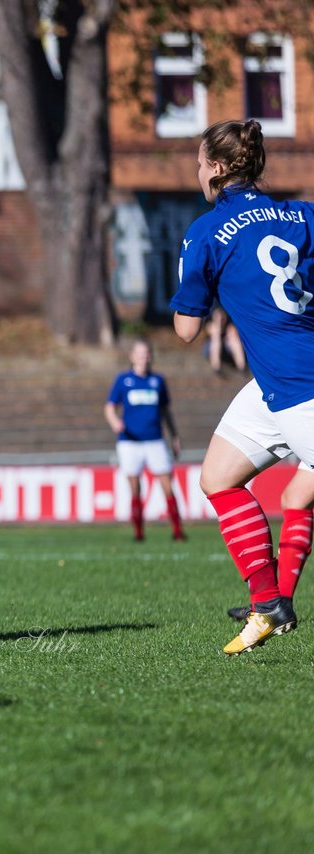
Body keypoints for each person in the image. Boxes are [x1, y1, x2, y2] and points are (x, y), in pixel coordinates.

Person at [171, 118, 314, 656]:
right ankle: (269, 603)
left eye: (200, 159)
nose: (196, 167)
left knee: (300, 492)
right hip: (278, 383)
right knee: (218, 477)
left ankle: (272, 604)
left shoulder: (206, 231)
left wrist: (199, 284)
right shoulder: (303, 214)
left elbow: (186, 330)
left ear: (217, 168)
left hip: (301, 386)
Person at [103, 339, 186, 543]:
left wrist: (174, 436)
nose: (143, 356)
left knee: (167, 485)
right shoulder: (123, 380)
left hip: (155, 441)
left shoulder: (158, 380)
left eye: (147, 352)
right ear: (132, 356)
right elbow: (109, 407)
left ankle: (177, 531)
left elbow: (166, 412)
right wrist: (115, 422)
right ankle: (139, 533)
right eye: (139, 353)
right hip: (130, 442)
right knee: (135, 488)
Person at [205, 304, 247, 375]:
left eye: (222, 318)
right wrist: (218, 329)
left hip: (228, 346)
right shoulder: (210, 323)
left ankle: (241, 366)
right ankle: (216, 366)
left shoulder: (230, 324)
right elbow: (208, 330)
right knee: (215, 334)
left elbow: (234, 333)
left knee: (233, 336)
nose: (221, 320)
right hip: (211, 347)